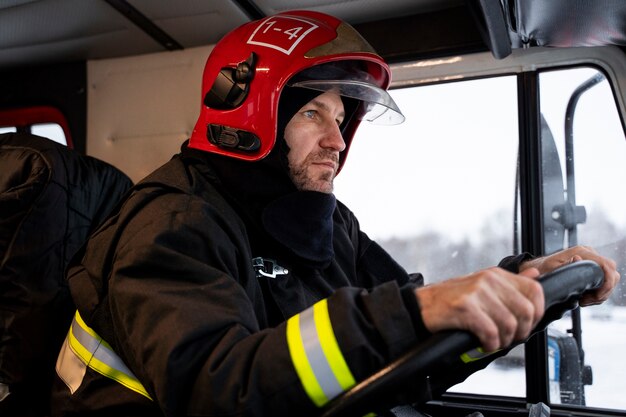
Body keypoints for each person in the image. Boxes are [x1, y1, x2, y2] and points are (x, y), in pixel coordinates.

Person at [50, 9, 619, 417]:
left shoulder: (323, 221)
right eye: (313, 115)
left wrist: (520, 288)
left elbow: (413, 335)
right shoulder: (173, 226)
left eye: (342, 118)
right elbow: (220, 389)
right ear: (251, 113)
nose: (337, 141)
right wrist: (413, 313)